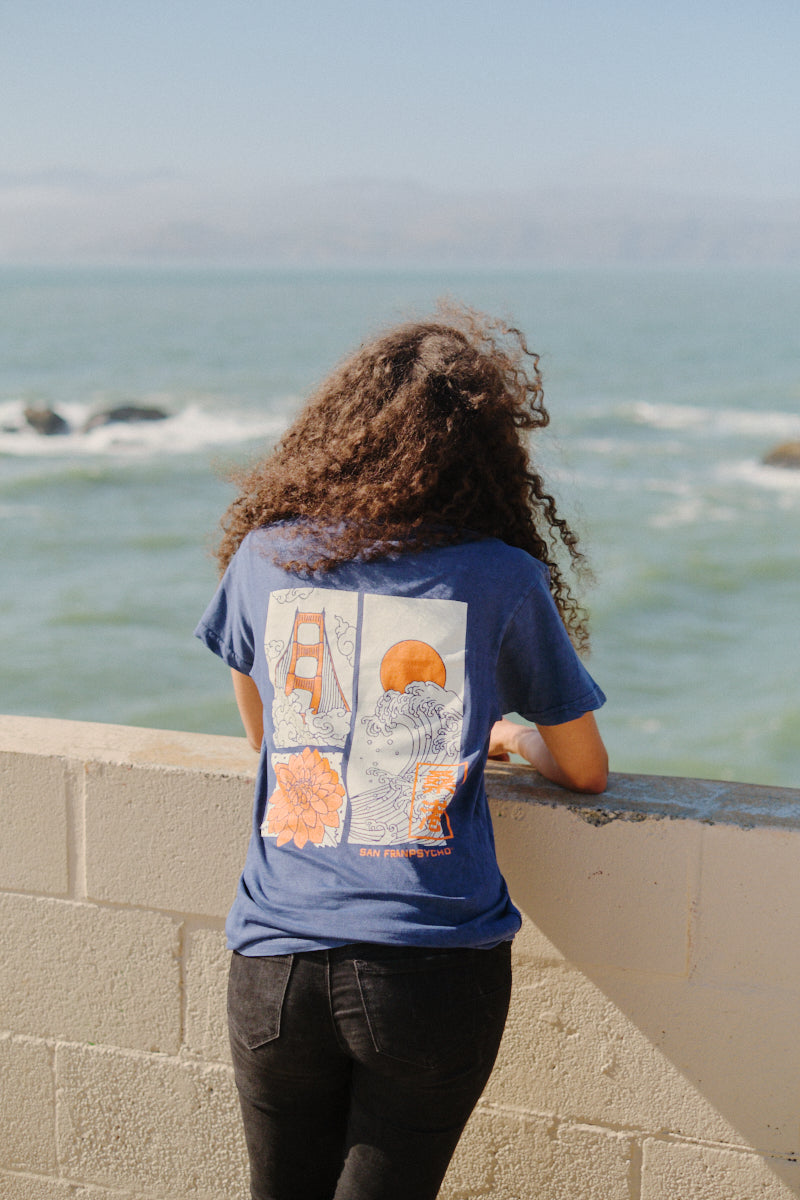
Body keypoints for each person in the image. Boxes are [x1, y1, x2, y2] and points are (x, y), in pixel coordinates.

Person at [195, 303, 608, 1200]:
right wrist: (505, 735)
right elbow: (585, 769)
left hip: (274, 961)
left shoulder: (265, 559)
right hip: (429, 967)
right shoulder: (501, 575)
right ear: (484, 453)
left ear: (335, 432)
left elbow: (264, 729)